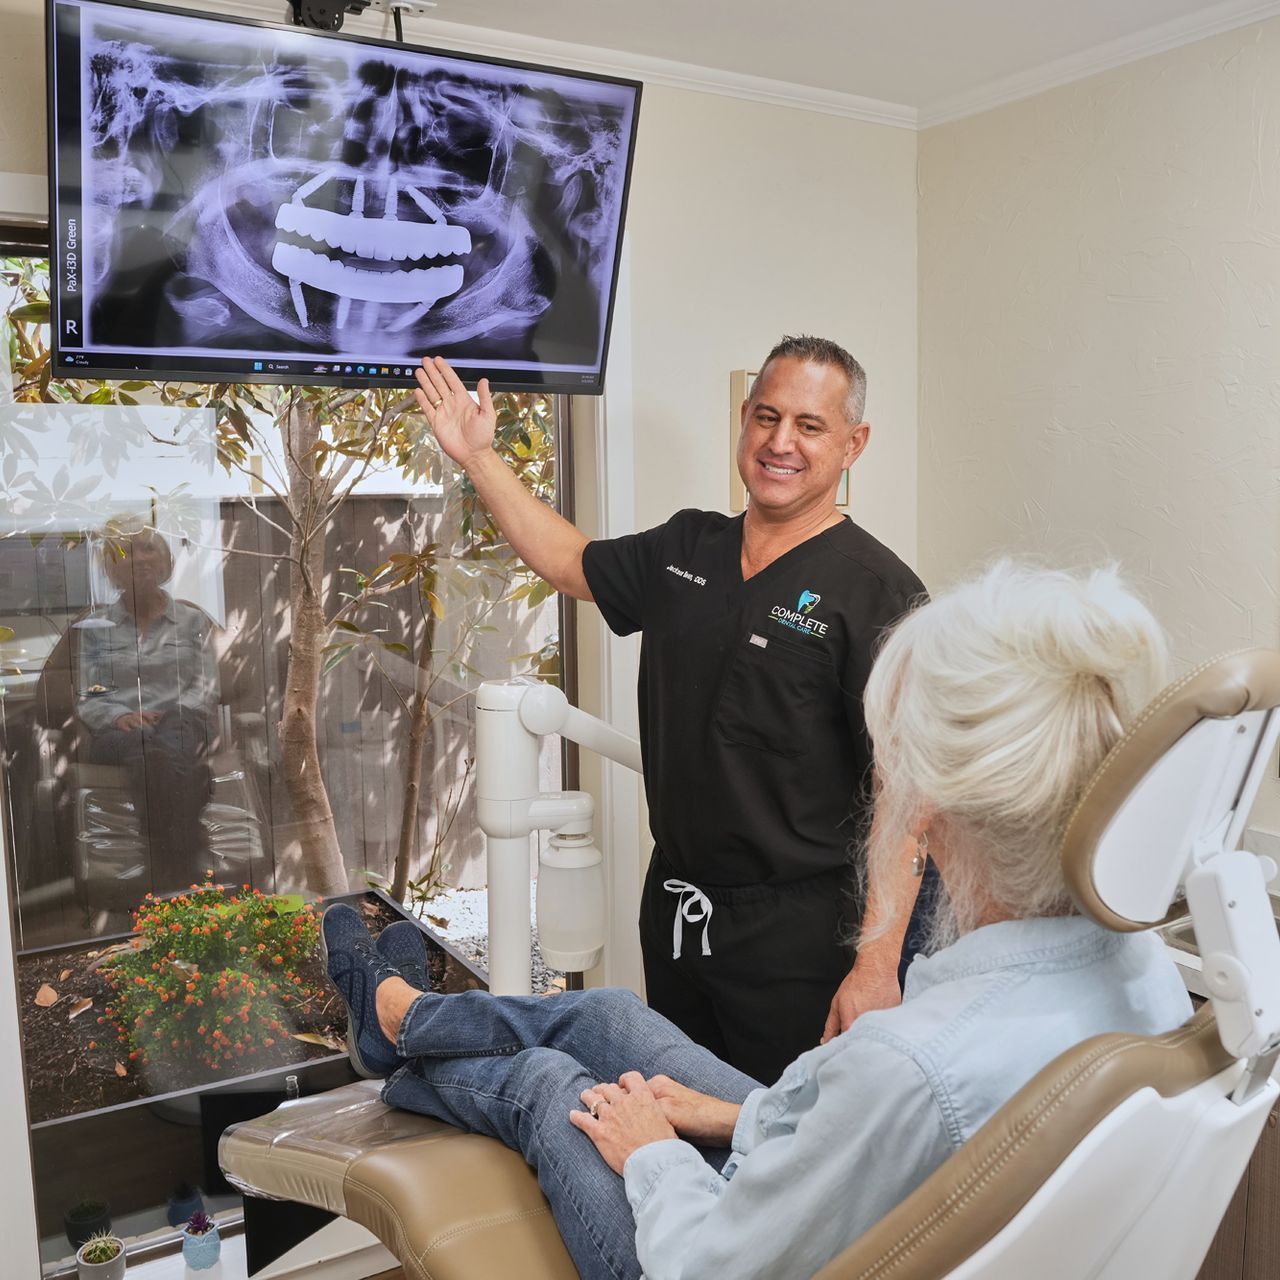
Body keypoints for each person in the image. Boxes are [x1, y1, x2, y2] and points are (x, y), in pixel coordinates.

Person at [322, 561, 1194, 1280]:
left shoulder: (912, 1066)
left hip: (705, 1250)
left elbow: (708, 1264)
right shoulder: (1140, 971)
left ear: (933, 810)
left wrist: (655, 1151)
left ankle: (393, 1039)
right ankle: (402, 1020)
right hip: (848, 1191)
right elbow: (867, 1143)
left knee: (554, 1081)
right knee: (610, 1017)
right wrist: (729, 1118)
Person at [415, 336, 927, 1084]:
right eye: (766, 417)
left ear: (854, 444)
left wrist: (878, 966)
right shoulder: (688, 548)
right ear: (744, 421)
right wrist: (479, 457)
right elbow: (570, 562)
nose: (780, 442)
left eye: (810, 426)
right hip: (680, 916)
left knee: (776, 1131)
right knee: (675, 1117)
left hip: (805, 938)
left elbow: (908, 796)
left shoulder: (880, 593)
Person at [73, 522, 219, 893]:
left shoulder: (192, 621)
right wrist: (119, 716)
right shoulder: (95, 627)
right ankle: (185, 854)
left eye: (148, 548)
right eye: (128, 551)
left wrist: (174, 712)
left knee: (167, 743)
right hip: (119, 733)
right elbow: (89, 694)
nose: (140, 559)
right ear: (111, 568)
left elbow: (206, 686)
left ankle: (159, 864)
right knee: (150, 752)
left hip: (182, 722)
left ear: (165, 562)